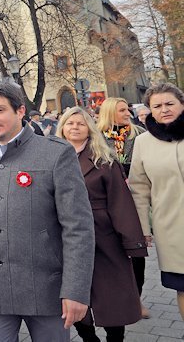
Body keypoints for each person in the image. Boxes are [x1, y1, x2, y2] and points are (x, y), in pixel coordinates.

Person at [0, 82, 94, 341]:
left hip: (45, 290)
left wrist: (76, 290)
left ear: (20, 111)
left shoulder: (55, 154)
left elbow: (78, 228)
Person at [57, 107, 147, 341]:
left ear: (90, 128)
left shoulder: (104, 159)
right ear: (62, 128)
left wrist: (132, 241)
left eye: (80, 123)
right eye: (70, 123)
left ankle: (115, 338)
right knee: (75, 294)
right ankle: (88, 338)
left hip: (104, 237)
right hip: (66, 238)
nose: (75, 127)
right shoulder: (52, 159)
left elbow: (120, 202)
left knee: (113, 297)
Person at [129, 83, 184, 320]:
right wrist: (143, 228)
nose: (164, 109)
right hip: (172, 230)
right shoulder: (144, 142)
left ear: (181, 104)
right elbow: (139, 189)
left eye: (170, 103)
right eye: (157, 106)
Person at [97, 96, 150, 318]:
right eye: (122, 110)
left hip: (135, 201)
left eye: (127, 110)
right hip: (110, 203)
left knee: (136, 252)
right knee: (115, 254)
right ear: (110, 113)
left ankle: (136, 299)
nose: (127, 113)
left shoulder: (138, 134)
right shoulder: (98, 137)